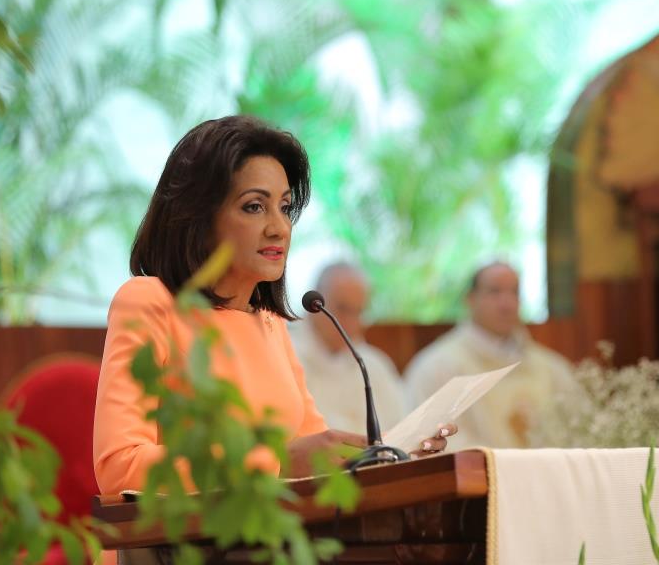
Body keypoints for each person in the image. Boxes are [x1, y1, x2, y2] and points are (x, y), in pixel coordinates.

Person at [93, 116, 453, 495]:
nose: (279, 227)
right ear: (198, 215)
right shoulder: (150, 301)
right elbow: (120, 468)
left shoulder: (268, 322)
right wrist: (273, 461)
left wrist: (398, 455)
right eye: (254, 207)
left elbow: (314, 457)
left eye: (284, 206)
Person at [403, 261, 574, 450]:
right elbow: (429, 440)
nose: (507, 304)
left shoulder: (551, 367)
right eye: (495, 292)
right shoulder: (437, 366)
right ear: (470, 299)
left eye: (514, 292)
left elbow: (579, 429)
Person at [289, 261, 407, 434]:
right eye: (342, 309)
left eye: (358, 311)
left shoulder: (373, 363)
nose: (350, 322)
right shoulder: (286, 354)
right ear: (315, 305)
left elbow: (403, 425)